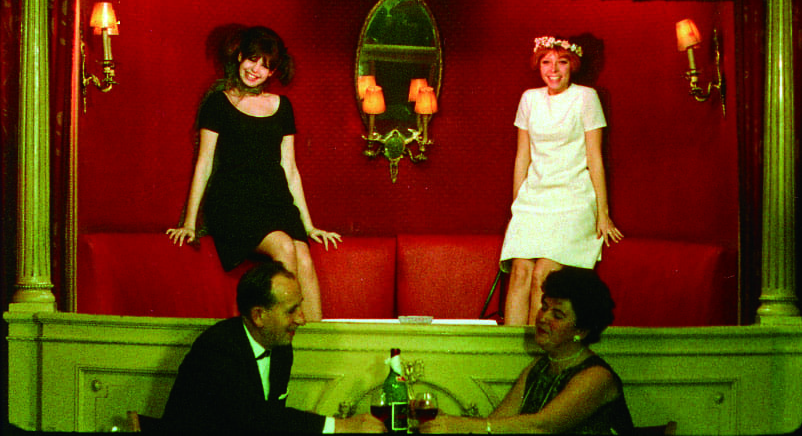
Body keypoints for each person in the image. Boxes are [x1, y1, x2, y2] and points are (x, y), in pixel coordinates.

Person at [166, 26, 341, 321]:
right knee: (284, 246)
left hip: (275, 203)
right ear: (239, 57)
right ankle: (284, 332)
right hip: (234, 204)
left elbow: (290, 169)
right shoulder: (218, 103)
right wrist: (189, 223)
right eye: (252, 59)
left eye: (265, 65)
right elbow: (203, 163)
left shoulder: (282, 106)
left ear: (272, 72)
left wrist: (309, 226)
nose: (255, 69)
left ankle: (314, 342)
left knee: (304, 258)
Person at [161, 261, 386, 433]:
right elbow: (256, 421)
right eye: (291, 310)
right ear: (259, 315)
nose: (302, 319)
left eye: (300, 307)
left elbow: (272, 419)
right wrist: (339, 426)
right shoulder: (217, 348)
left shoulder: (280, 347)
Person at [499, 35, 623, 326]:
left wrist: (602, 213)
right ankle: (508, 349)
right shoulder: (529, 99)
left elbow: (595, 157)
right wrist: (517, 208)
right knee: (520, 272)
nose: (553, 69)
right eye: (546, 62)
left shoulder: (586, 98)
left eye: (562, 62)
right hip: (534, 200)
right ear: (539, 66)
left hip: (572, 199)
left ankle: (537, 349)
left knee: (543, 274)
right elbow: (522, 156)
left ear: (572, 65)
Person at [421, 267, 633, 434]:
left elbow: (541, 427)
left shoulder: (597, 377)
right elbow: (496, 422)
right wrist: (446, 422)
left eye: (557, 315)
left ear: (582, 331)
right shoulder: (540, 366)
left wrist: (461, 426)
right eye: (544, 307)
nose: (543, 317)